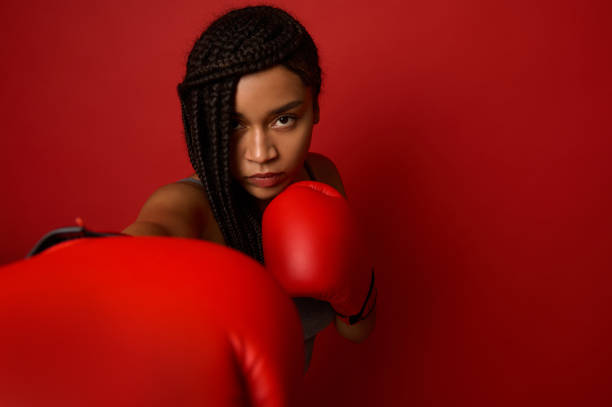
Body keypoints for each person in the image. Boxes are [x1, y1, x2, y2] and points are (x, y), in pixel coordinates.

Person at [122, 5, 376, 372]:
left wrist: (353, 289)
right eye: (233, 125)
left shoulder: (319, 175)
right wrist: (95, 257)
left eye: (284, 119)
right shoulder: (190, 204)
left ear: (315, 106)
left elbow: (357, 330)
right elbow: (153, 232)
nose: (262, 154)